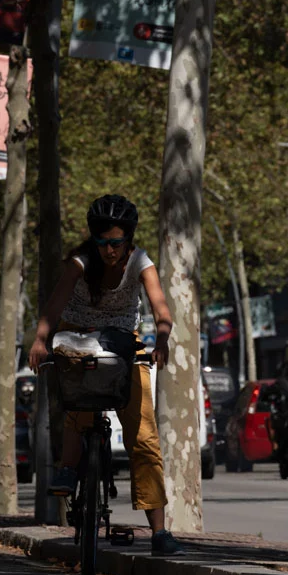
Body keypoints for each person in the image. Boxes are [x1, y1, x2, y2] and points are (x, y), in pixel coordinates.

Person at [28, 194, 183, 556]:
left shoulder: (140, 261)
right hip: (77, 336)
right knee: (77, 408)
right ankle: (68, 467)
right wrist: (40, 339)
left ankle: (159, 531)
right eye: (102, 242)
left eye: (116, 242)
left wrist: (161, 340)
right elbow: (54, 304)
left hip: (121, 342)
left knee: (144, 436)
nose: (109, 251)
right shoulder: (80, 262)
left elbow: (162, 309)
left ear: (128, 239)